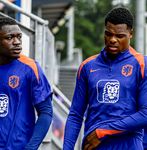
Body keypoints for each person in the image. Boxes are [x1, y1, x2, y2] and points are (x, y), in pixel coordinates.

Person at [63, 7, 147, 150]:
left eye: (119, 36)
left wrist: (103, 132)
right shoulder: (87, 66)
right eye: (108, 34)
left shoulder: (142, 64)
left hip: (128, 145)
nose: (112, 40)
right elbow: (76, 115)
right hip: (94, 146)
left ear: (130, 34)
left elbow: (145, 114)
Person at [0, 17, 53, 150]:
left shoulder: (31, 68)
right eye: (9, 38)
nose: (17, 42)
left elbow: (46, 112)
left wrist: (31, 147)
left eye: (19, 37)